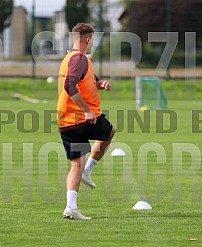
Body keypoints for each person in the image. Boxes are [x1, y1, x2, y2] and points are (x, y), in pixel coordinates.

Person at [57, 23, 115, 220]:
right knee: (109, 131)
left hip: (66, 121)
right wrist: (87, 110)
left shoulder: (69, 58)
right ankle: (88, 172)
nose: (92, 45)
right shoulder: (80, 58)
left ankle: (70, 207)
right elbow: (69, 85)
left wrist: (100, 84)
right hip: (80, 118)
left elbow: (88, 81)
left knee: (76, 165)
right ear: (88, 39)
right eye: (93, 41)